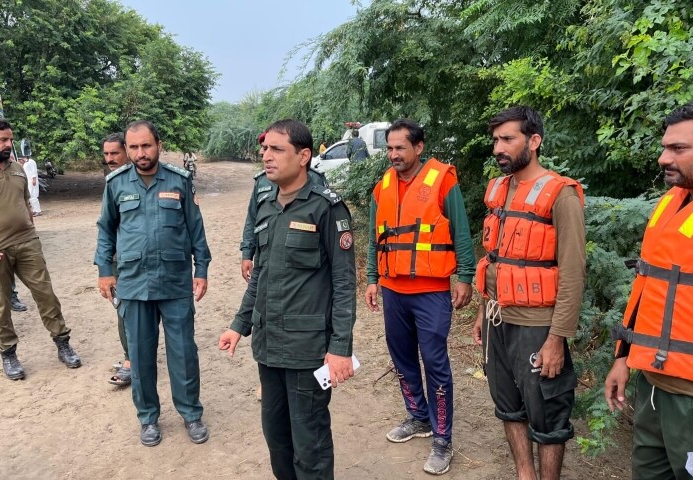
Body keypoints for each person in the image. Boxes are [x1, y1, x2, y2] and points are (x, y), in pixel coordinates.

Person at [219, 119, 356, 479]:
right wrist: (239, 325)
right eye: (265, 149)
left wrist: (340, 347)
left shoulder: (327, 209)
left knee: (309, 445)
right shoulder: (266, 205)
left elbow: (344, 282)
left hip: (306, 350)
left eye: (277, 149)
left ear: (304, 156)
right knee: (277, 440)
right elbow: (260, 274)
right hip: (269, 346)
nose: (267, 156)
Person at [605, 99, 693, 480]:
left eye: (679, 149)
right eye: (665, 147)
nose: (664, 158)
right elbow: (653, 291)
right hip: (655, 388)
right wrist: (624, 356)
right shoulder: (675, 204)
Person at [472, 106, 585, 480]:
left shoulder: (560, 195)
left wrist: (557, 339)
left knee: (548, 414)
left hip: (538, 327)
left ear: (534, 141)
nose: (497, 148)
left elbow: (572, 273)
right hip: (496, 321)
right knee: (507, 406)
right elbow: (494, 259)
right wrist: (481, 312)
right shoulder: (498, 190)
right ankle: (525, 474)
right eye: (495, 140)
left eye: (507, 139)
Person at [365, 118, 476, 475]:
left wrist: (465, 277)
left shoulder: (442, 179)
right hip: (393, 290)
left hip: (430, 291)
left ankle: (442, 438)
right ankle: (417, 416)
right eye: (389, 148)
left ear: (419, 147)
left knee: (435, 362)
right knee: (401, 359)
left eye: (400, 147)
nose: (394, 155)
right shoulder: (382, 186)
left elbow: (461, 230)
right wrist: (371, 278)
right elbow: (374, 238)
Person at [95, 120, 211, 447]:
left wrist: (200, 269)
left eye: (146, 146)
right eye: (133, 147)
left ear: (158, 144)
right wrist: (105, 270)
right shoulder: (116, 184)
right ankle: (148, 418)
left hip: (175, 283)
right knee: (141, 356)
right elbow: (105, 230)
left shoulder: (179, 181)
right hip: (133, 284)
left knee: (184, 352)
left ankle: (190, 412)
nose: (140, 153)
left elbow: (195, 229)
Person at [0, 117, 81, 380]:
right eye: (3, 140)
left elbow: (25, 205)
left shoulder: (18, 169)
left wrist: (32, 234)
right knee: (0, 305)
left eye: (10, 139)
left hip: (27, 245)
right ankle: (8, 353)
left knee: (46, 295)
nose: (9, 144)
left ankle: (62, 344)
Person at [240, 132, 328, 282]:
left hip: (301, 266)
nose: (264, 154)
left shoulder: (314, 178)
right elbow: (252, 219)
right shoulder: (261, 181)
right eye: (264, 148)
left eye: (275, 149)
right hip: (267, 258)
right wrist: (247, 254)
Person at [101, 132, 132, 387]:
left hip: (145, 260)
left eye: (115, 153)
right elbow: (106, 227)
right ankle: (131, 360)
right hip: (117, 259)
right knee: (122, 309)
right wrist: (104, 267)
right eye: (106, 154)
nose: (110, 159)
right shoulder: (111, 182)